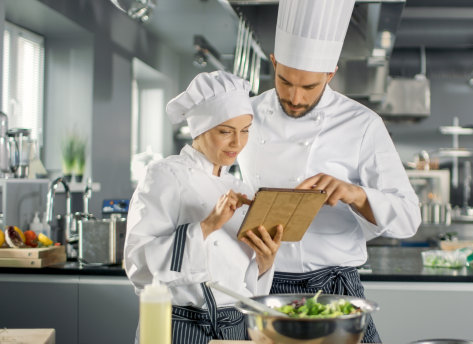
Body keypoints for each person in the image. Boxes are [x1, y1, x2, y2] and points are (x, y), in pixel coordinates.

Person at [237, 0, 421, 342]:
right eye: (285, 80)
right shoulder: (244, 116)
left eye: (309, 87)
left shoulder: (363, 124)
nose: (294, 97)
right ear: (273, 63)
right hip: (262, 282)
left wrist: (355, 194)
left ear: (330, 74)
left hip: (335, 287)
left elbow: (409, 218)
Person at [124, 71, 283, 344]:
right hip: (179, 328)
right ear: (200, 130)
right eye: (226, 131)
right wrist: (207, 226)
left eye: (245, 131)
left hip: (236, 328)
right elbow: (137, 264)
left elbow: (242, 282)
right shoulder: (164, 175)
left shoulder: (242, 190)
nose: (237, 143)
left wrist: (264, 262)